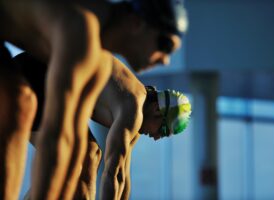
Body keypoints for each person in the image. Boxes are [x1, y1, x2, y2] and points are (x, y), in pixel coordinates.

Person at [0, 0, 188, 198]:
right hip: (32, 69)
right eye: (165, 45)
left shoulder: (100, 65)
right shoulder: (82, 31)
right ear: (136, 24)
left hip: (31, 65)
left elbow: (114, 171)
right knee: (20, 103)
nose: (165, 60)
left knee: (87, 153)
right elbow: (56, 138)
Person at [13, 51, 192, 199]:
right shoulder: (133, 107)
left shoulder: (136, 117)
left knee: (89, 155)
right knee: (82, 157)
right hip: (33, 74)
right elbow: (111, 173)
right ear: (157, 111)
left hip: (47, 80)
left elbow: (122, 177)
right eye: (163, 130)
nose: (156, 137)